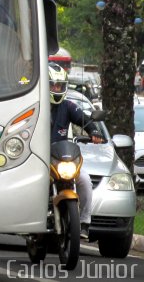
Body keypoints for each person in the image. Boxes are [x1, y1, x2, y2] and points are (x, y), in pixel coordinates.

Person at [49, 62, 103, 239]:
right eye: (53, 85)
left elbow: (84, 118)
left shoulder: (68, 106)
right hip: (38, 159)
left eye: (60, 85)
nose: (57, 89)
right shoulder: (35, 106)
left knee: (85, 180)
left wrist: (93, 131)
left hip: (61, 158)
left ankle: (85, 223)